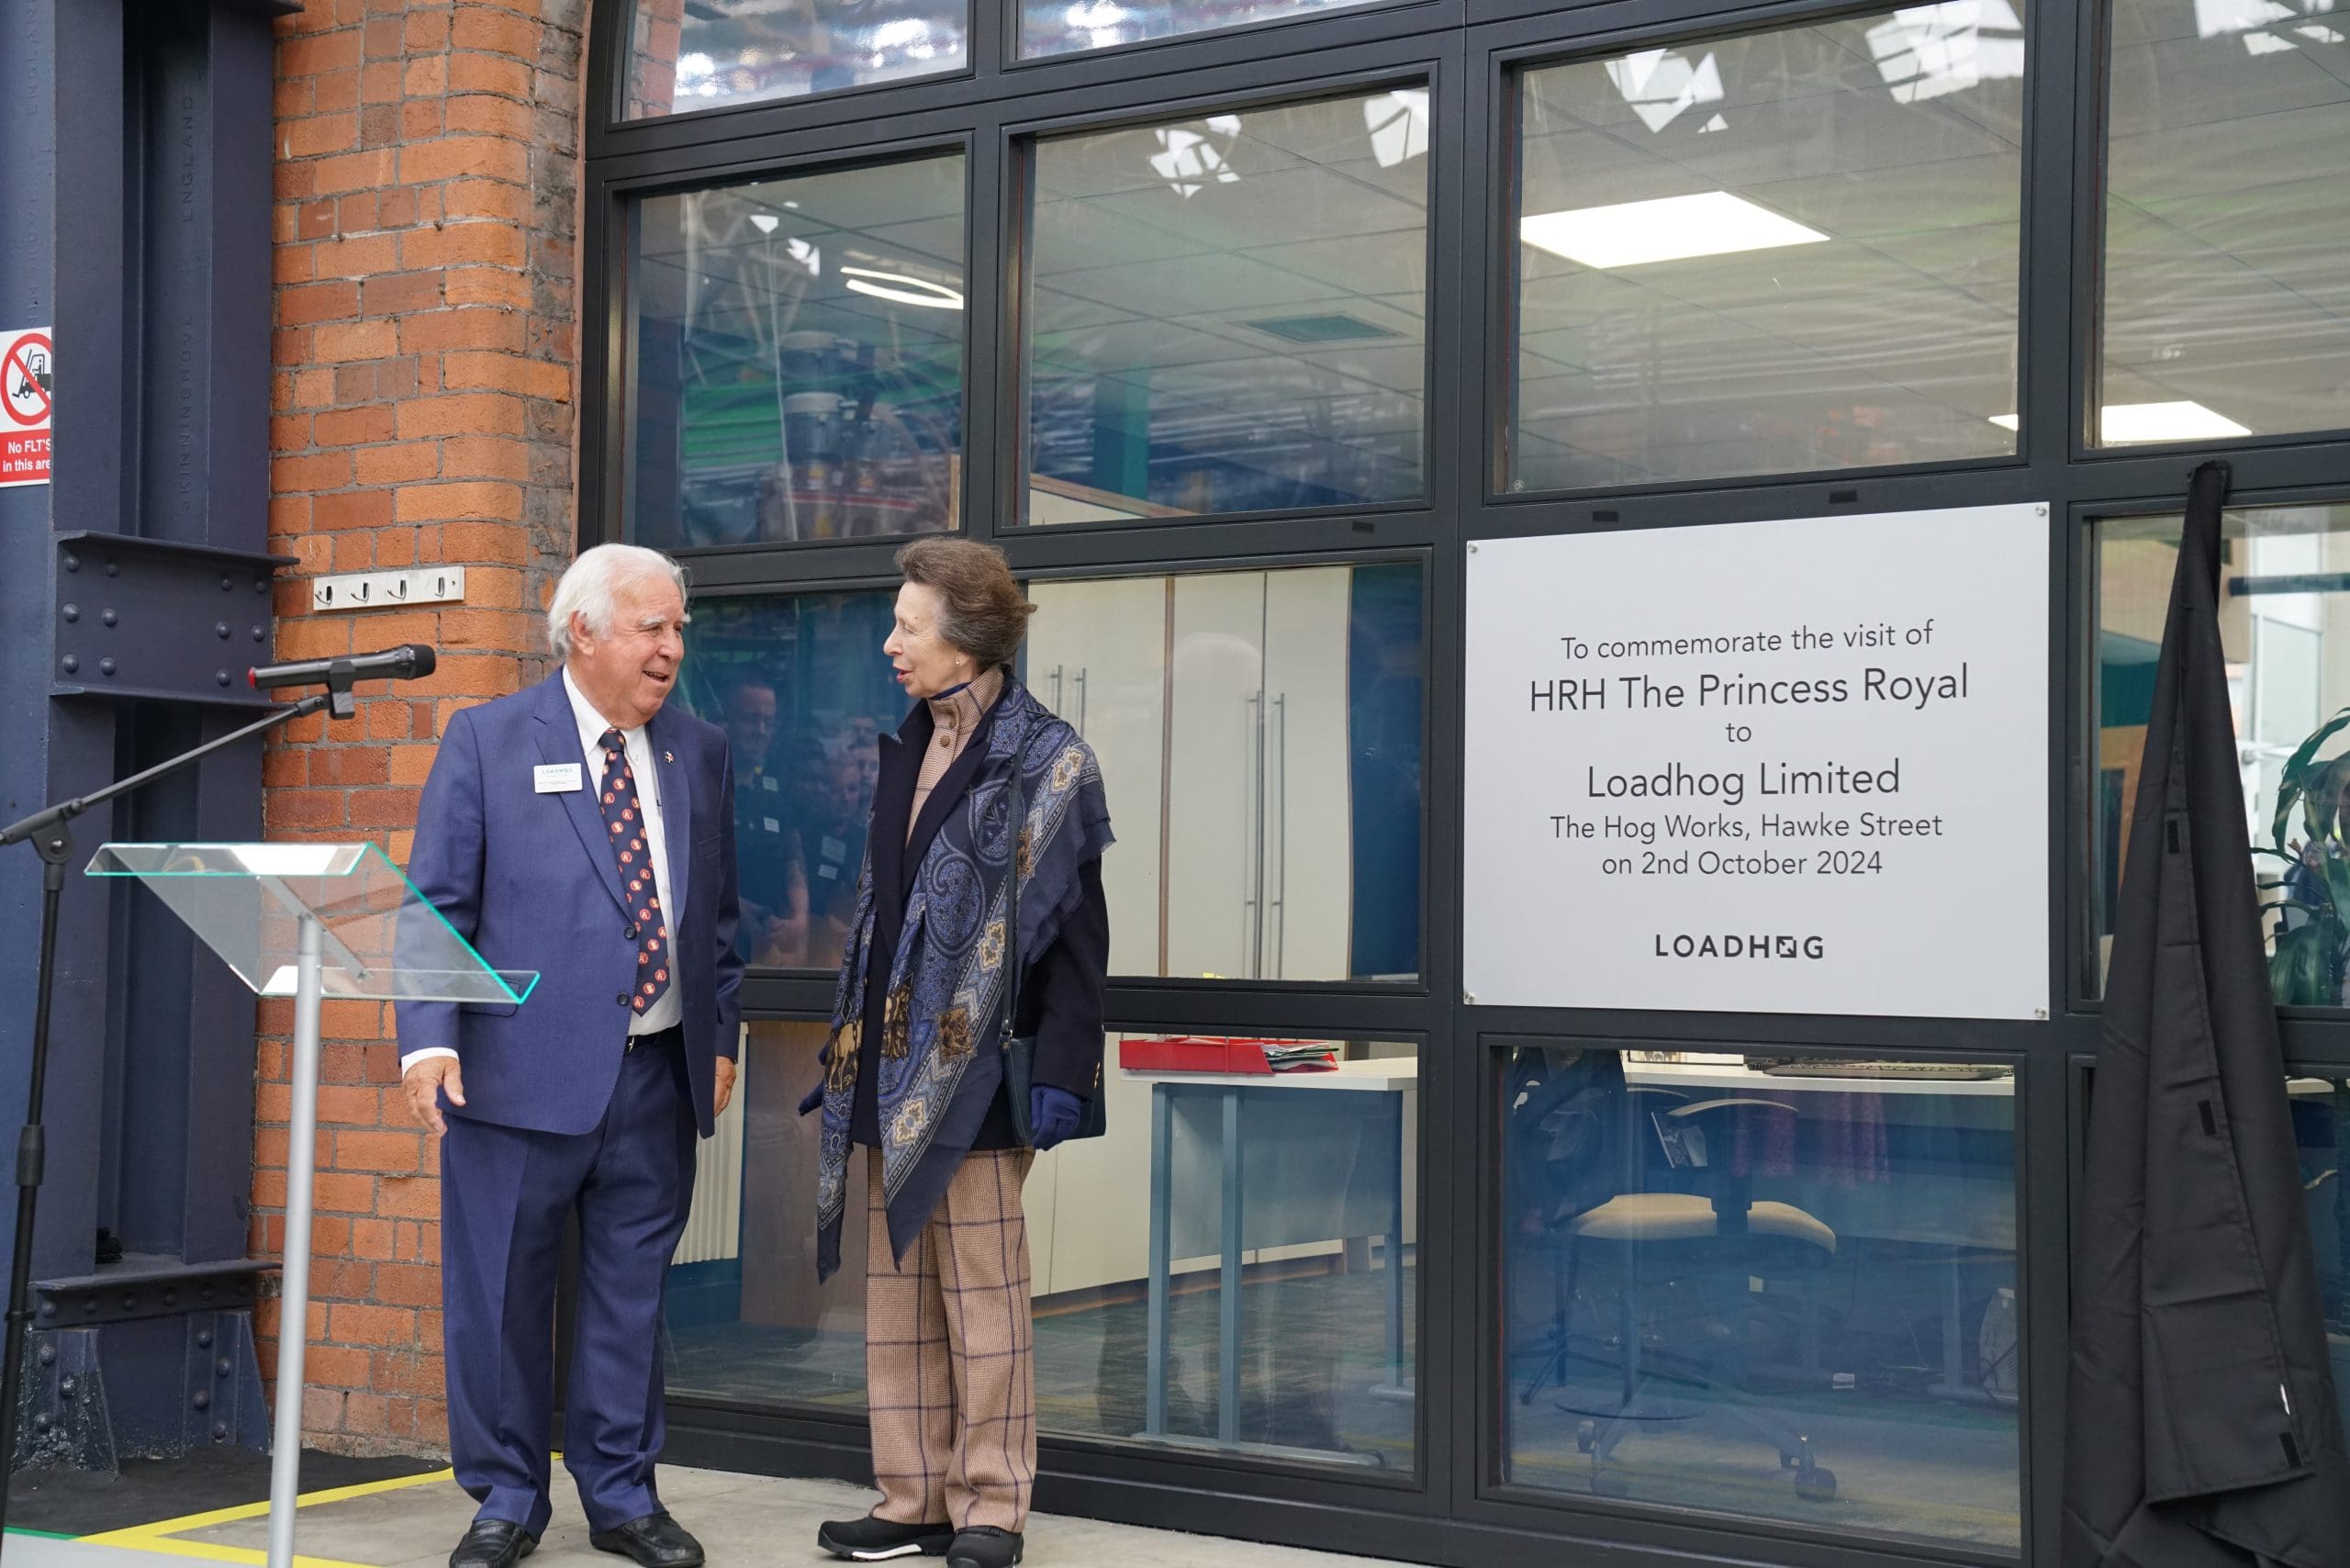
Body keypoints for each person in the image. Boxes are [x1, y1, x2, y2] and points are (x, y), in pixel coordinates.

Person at [396, 543, 744, 1568]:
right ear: (582, 632)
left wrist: (718, 1035)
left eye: (679, 627)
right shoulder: (490, 740)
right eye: (653, 626)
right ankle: (506, 1494)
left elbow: (719, 920)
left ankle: (624, 1495)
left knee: (628, 1297)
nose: (672, 646)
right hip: (512, 1078)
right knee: (501, 1295)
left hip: (655, 1076)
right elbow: (434, 912)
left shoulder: (699, 747)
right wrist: (427, 1040)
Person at [802, 538, 1113, 1568]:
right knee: (899, 1298)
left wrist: (1066, 1071)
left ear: (968, 635)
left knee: (984, 1299)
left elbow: (1075, 935)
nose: (890, 642)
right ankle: (912, 1495)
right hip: (892, 1066)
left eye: (907, 624)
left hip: (980, 1068)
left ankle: (991, 1503)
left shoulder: (1043, 756)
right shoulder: (910, 741)